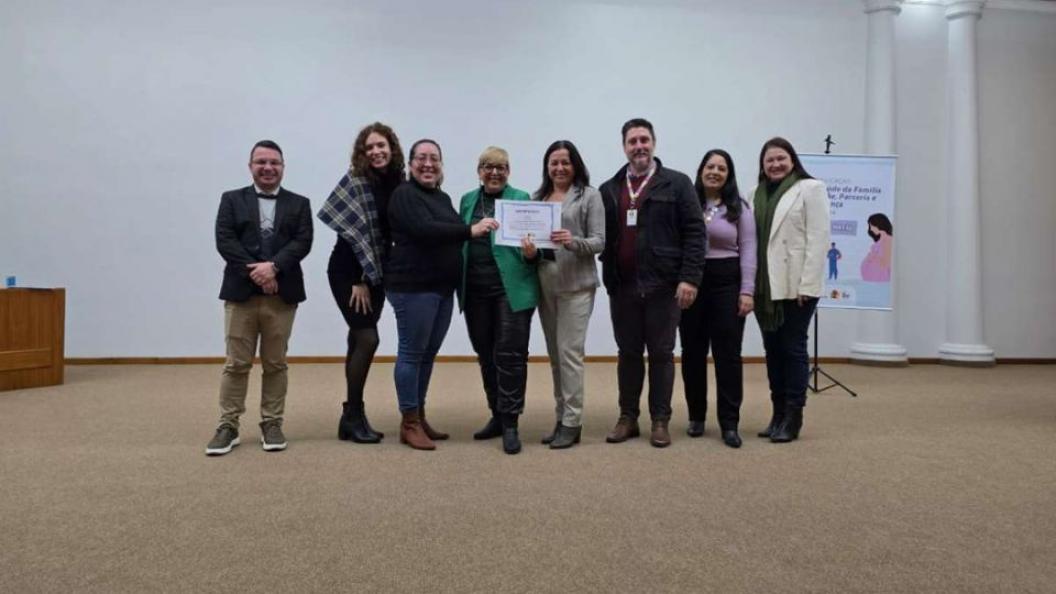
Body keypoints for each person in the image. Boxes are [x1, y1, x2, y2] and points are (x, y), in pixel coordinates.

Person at [598, 118, 706, 448]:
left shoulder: (677, 183)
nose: (639, 146)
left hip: (664, 286)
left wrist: (690, 278)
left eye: (644, 140)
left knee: (661, 353)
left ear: (654, 143)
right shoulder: (609, 188)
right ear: (624, 147)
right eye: (632, 141)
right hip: (623, 286)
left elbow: (695, 233)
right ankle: (627, 417)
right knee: (628, 354)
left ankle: (660, 420)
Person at [386, 139, 497, 451]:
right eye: (421, 158)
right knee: (411, 353)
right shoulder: (404, 194)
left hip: (441, 289)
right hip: (414, 288)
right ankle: (409, 422)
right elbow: (425, 230)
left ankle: (418, 415)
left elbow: (446, 232)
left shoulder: (442, 197)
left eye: (434, 158)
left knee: (427, 354)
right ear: (410, 164)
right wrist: (470, 230)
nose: (428, 164)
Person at [206, 140, 314, 455]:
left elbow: (303, 242)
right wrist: (258, 273)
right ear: (250, 166)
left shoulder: (299, 203)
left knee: (276, 363)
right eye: (261, 162)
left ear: (283, 167)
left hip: (282, 295)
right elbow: (225, 240)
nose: (268, 168)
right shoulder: (231, 199)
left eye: (274, 163)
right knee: (236, 364)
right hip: (241, 295)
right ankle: (228, 425)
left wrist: (274, 268)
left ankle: (272, 423)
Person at [317, 122, 404, 444]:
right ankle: (353, 413)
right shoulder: (355, 181)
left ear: (392, 148)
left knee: (357, 338)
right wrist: (357, 280)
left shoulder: (399, 183)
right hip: (348, 272)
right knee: (368, 338)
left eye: (381, 145)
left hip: (377, 272)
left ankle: (350, 420)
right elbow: (349, 234)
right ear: (362, 153)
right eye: (369, 147)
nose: (376, 151)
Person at [459, 147, 540, 455]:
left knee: (511, 355)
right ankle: (496, 413)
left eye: (501, 167)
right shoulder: (467, 200)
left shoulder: (521, 198)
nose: (494, 172)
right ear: (479, 171)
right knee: (485, 353)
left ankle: (511, 423)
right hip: (475, 290)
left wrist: (532, 252)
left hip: (511, 289)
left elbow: (535, 245)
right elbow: (461, 236)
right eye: (488, 167)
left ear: (509, 171)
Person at [751, 137, 831, 443]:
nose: (775, 164)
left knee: (793, 348)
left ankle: (793, 416)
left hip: (797, 286)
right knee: (772, 351)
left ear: (792, 161)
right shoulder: (754, 194)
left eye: (781, 158)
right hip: (765, 287)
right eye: (769, 160)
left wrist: (808, 284)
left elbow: (819, 239)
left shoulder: (810, 188)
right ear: (762, 165)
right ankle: (778, 413)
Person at [679, 149, 756, 448]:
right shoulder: (687, 204)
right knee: (692, 353)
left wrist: (747, 291)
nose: (715, 172)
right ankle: (696, 416)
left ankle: (730, 423)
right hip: (692, 282)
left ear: (729, 175)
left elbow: (748, 249)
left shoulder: (740, 208)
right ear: (701, 171)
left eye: (722, 168)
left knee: (728, 355)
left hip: (727, 282)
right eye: (710, 166)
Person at [530, 140, 605, 450]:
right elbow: (533, 244)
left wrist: (573, 241)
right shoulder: (537, 198)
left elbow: (599, 241)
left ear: (575, 165)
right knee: (555, 356)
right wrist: (529, 251)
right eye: (554, 162)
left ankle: (573, 423)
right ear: (547, 167)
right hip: (546, 285)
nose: (559, 168)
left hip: (577, 286)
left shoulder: (589, 195)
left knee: (569, 354)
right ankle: (561, 418)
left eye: (565, 162)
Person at [860, 214, 893, 282]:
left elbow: (887, 262)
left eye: (872, 226)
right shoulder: (881, 240)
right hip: (875, 281)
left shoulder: (887, 240)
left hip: (881, 280)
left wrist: (873, 257)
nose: (871, 229)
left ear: (879, 225)